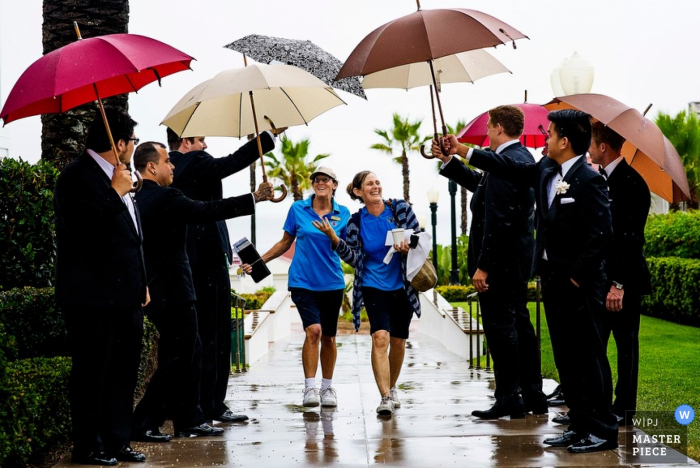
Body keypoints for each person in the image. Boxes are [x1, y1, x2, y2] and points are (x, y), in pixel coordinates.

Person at [433, 109, 617, 453]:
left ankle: (602, 428)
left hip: (579, 284)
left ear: (565, 141)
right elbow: (507, 169)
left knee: (587, 356)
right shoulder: (547, 169)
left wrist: (577, 275)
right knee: (565, 356)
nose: (543, 138)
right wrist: (460, 152)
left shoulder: (590, 180)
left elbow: (601, 234)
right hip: (552, 282)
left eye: (549, 134)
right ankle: (578, 424)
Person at [131, 142, 274, 439]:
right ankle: (144, 420)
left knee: (189, 352)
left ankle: (187, 420)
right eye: (167, 162)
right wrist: (254, 198)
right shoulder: (166, 197)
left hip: (157, 289)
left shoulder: (137, 199)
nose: (173, 166)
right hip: (173, 291)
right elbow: (207, 210)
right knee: (181, 356)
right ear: (152, 167)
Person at [434, 105, 547, 419]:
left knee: (501, 330)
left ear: (498, 128)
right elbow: (481, 188)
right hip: (515, 260)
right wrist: (449, 160)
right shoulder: (515, 161)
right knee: (520, 327)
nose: (486, 133)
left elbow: (498, 220)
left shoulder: (511, 161)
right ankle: (532, 394)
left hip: (501, 262)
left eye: (488, 127)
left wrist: (484, 265)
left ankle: (510, 397)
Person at [55, 109, 148, 465]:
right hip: (92, 297)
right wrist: (113, 193)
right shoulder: (75, 177)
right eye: (133, 142)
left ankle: (117, 441)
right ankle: (88, 447)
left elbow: (132, 238)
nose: (133, 148)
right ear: (119, 143)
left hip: (127, 294)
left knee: (124, 372)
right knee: (94, 373)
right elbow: (80, 230)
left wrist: (143, 281)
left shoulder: (122, 175)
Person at [166, 128, 278, 423]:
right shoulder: (193, 161)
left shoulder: (169, 169)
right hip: (207, 262)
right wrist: (264, 140)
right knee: (215, 337)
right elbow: (230, 163)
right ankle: (210, 404)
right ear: (186, 141)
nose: (206, 144)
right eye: (201, 139)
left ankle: (204, 404)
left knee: (201, 336)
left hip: (189, 260)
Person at [241, 166, 350, 408]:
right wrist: (259, 261)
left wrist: (333, 235)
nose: (320, 183)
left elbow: (347, 248)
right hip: (302, 281)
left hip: (332, 282)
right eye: (316, 179)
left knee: (329, 338)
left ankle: (327, 388)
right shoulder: (298, 209)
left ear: (334, 185)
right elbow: (284, 242)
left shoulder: (343, 213)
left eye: (326, 179)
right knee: (313, 331)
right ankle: (310, 388)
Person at [314, 171, 420, 417]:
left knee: (398, 341)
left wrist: (408, 246)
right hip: (373, 286)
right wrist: (335, 239)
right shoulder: (355, 223)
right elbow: (352, 257)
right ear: (359, 192)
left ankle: (393, 387)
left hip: (402, 286)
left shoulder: (399, 210)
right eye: (369, 183)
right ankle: (384, 397)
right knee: (380, 337)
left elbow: (419, 237)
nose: (375, 186)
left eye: (377, 182)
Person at [589, 122, 651, 427]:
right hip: (601, 281)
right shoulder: (602, 179)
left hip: (623, 282)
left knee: (626, 348)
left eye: (591, 143)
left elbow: (629, 239)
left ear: (603, 147)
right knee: (596, 345)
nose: (587, 148)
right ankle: (598, 404)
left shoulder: (632, 184)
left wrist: (618, 285)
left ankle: (624, 408)